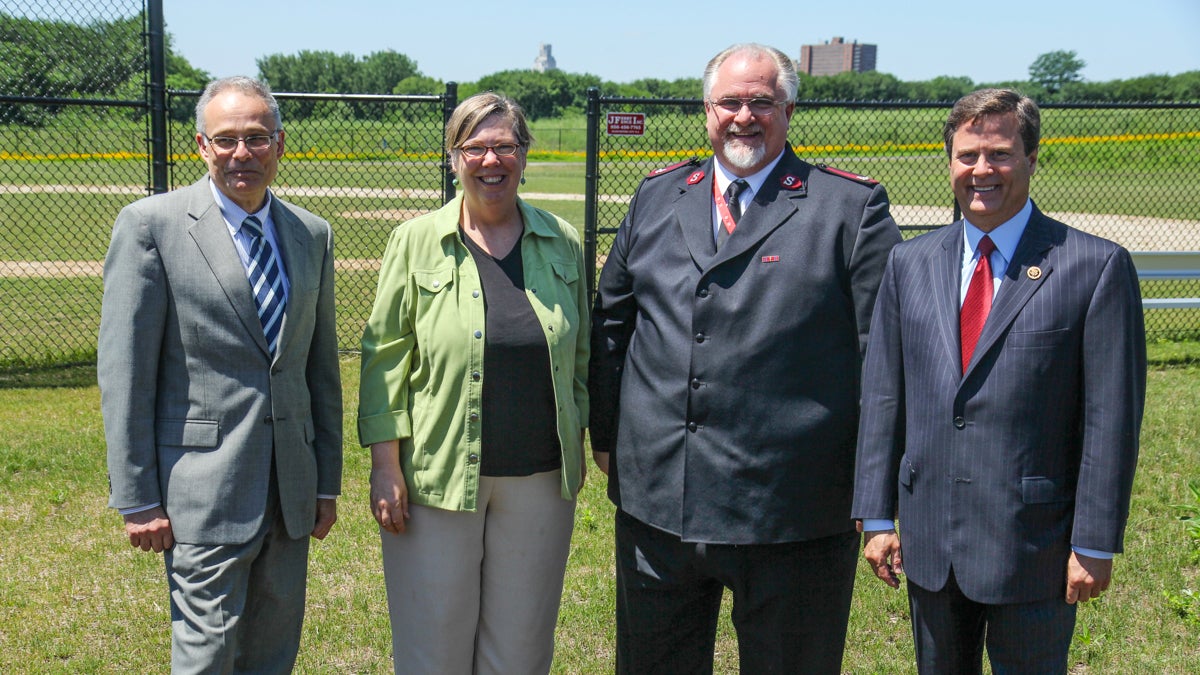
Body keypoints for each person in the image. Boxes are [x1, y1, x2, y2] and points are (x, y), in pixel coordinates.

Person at [589, 43, 902, 673]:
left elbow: (887, 360)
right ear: (707, 109)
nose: (743, 116)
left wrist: (881, 496)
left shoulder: (849, 210)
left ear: (788, 109)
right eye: (729, 102)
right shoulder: (657, 197)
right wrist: (608, 437)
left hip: (793, 510)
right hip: (661, 505)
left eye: (762, 102)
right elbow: (612, 324)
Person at [852, 88, 1147, 673]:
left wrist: (1093, 541)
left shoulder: (1094, 267)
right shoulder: (910, 263)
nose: (981, 170)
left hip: (1034, 545)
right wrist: (878, 516)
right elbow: (884, 395)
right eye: (967, 155)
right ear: (949, 161)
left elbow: (1110, 418)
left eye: (1000, 154)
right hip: (932, 544)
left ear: (1032, 158)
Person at [98, 76, 343, 673]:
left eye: (257, 138)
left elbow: (319, 366)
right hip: (201, 489)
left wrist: (324, 481)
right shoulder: (151, 226)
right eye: (227, 139)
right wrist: (137, 497)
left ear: (280, 145)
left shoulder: (311, 234)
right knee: (207, 654)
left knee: (272, 654)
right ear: (201, 147)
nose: (243, 153)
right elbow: (125, 370)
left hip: (289, 488)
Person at [357, 92, 589, 675]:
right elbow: (384, 355)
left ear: (524, 154)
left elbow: (583, 355)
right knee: (433, 650)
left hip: (539, 478)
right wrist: (386, 465)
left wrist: (584, 441)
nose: (492, 161)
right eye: (476, 148)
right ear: (454, 158)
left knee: (521, 653)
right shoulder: (414, 241)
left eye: (504, 146)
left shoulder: (562, 241)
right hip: (437, 478)